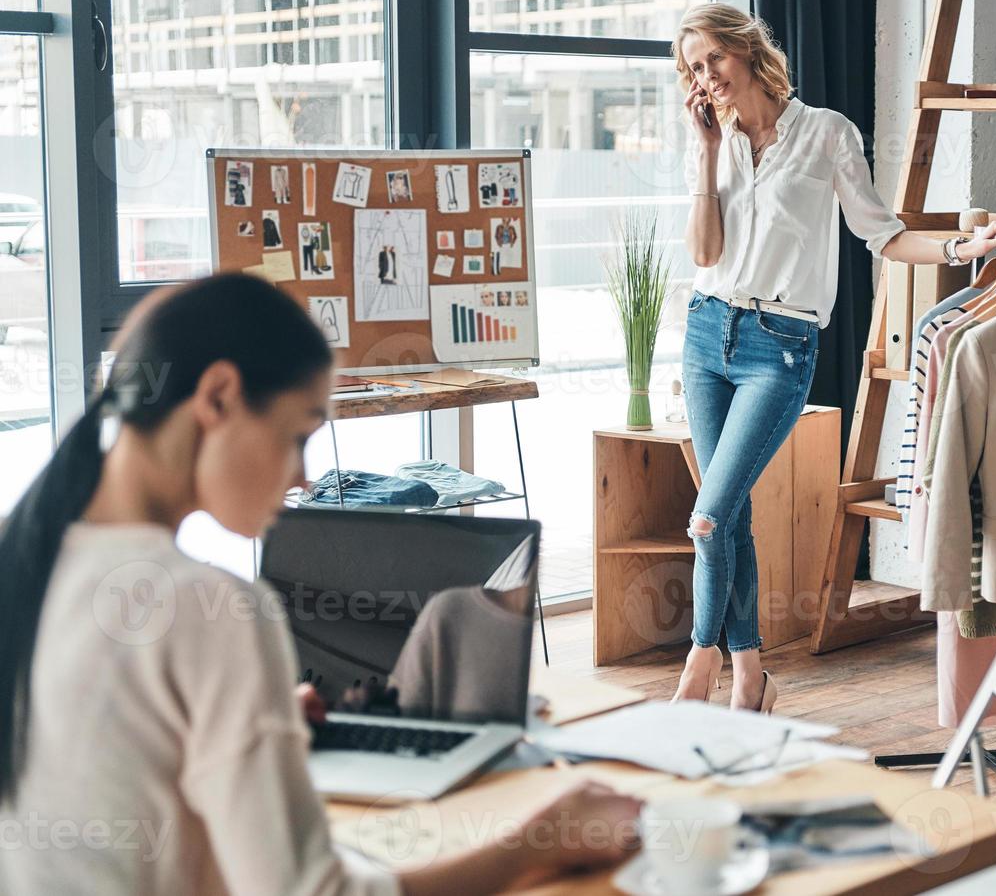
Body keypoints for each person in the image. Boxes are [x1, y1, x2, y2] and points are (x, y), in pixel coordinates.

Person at [0, 273, 641, 894]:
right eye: (299, 434)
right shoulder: (209, 607)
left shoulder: (27, 559)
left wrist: (246, 726)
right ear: (219, 396)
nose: (305, 475)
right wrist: (542, 839)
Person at [673, 3, 996, 712]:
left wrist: (964, 249)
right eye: (691, 66)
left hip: (779, 346)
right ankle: (750, 681)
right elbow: (704, 253)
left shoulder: (826, 132)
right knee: (730, 517)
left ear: (745, 53)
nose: (703, 76)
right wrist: (708, 152)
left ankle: (697, 664)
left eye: (711, 58)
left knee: (708, 518)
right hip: (706, 334)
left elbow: (884, 236)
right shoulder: (712, 140)